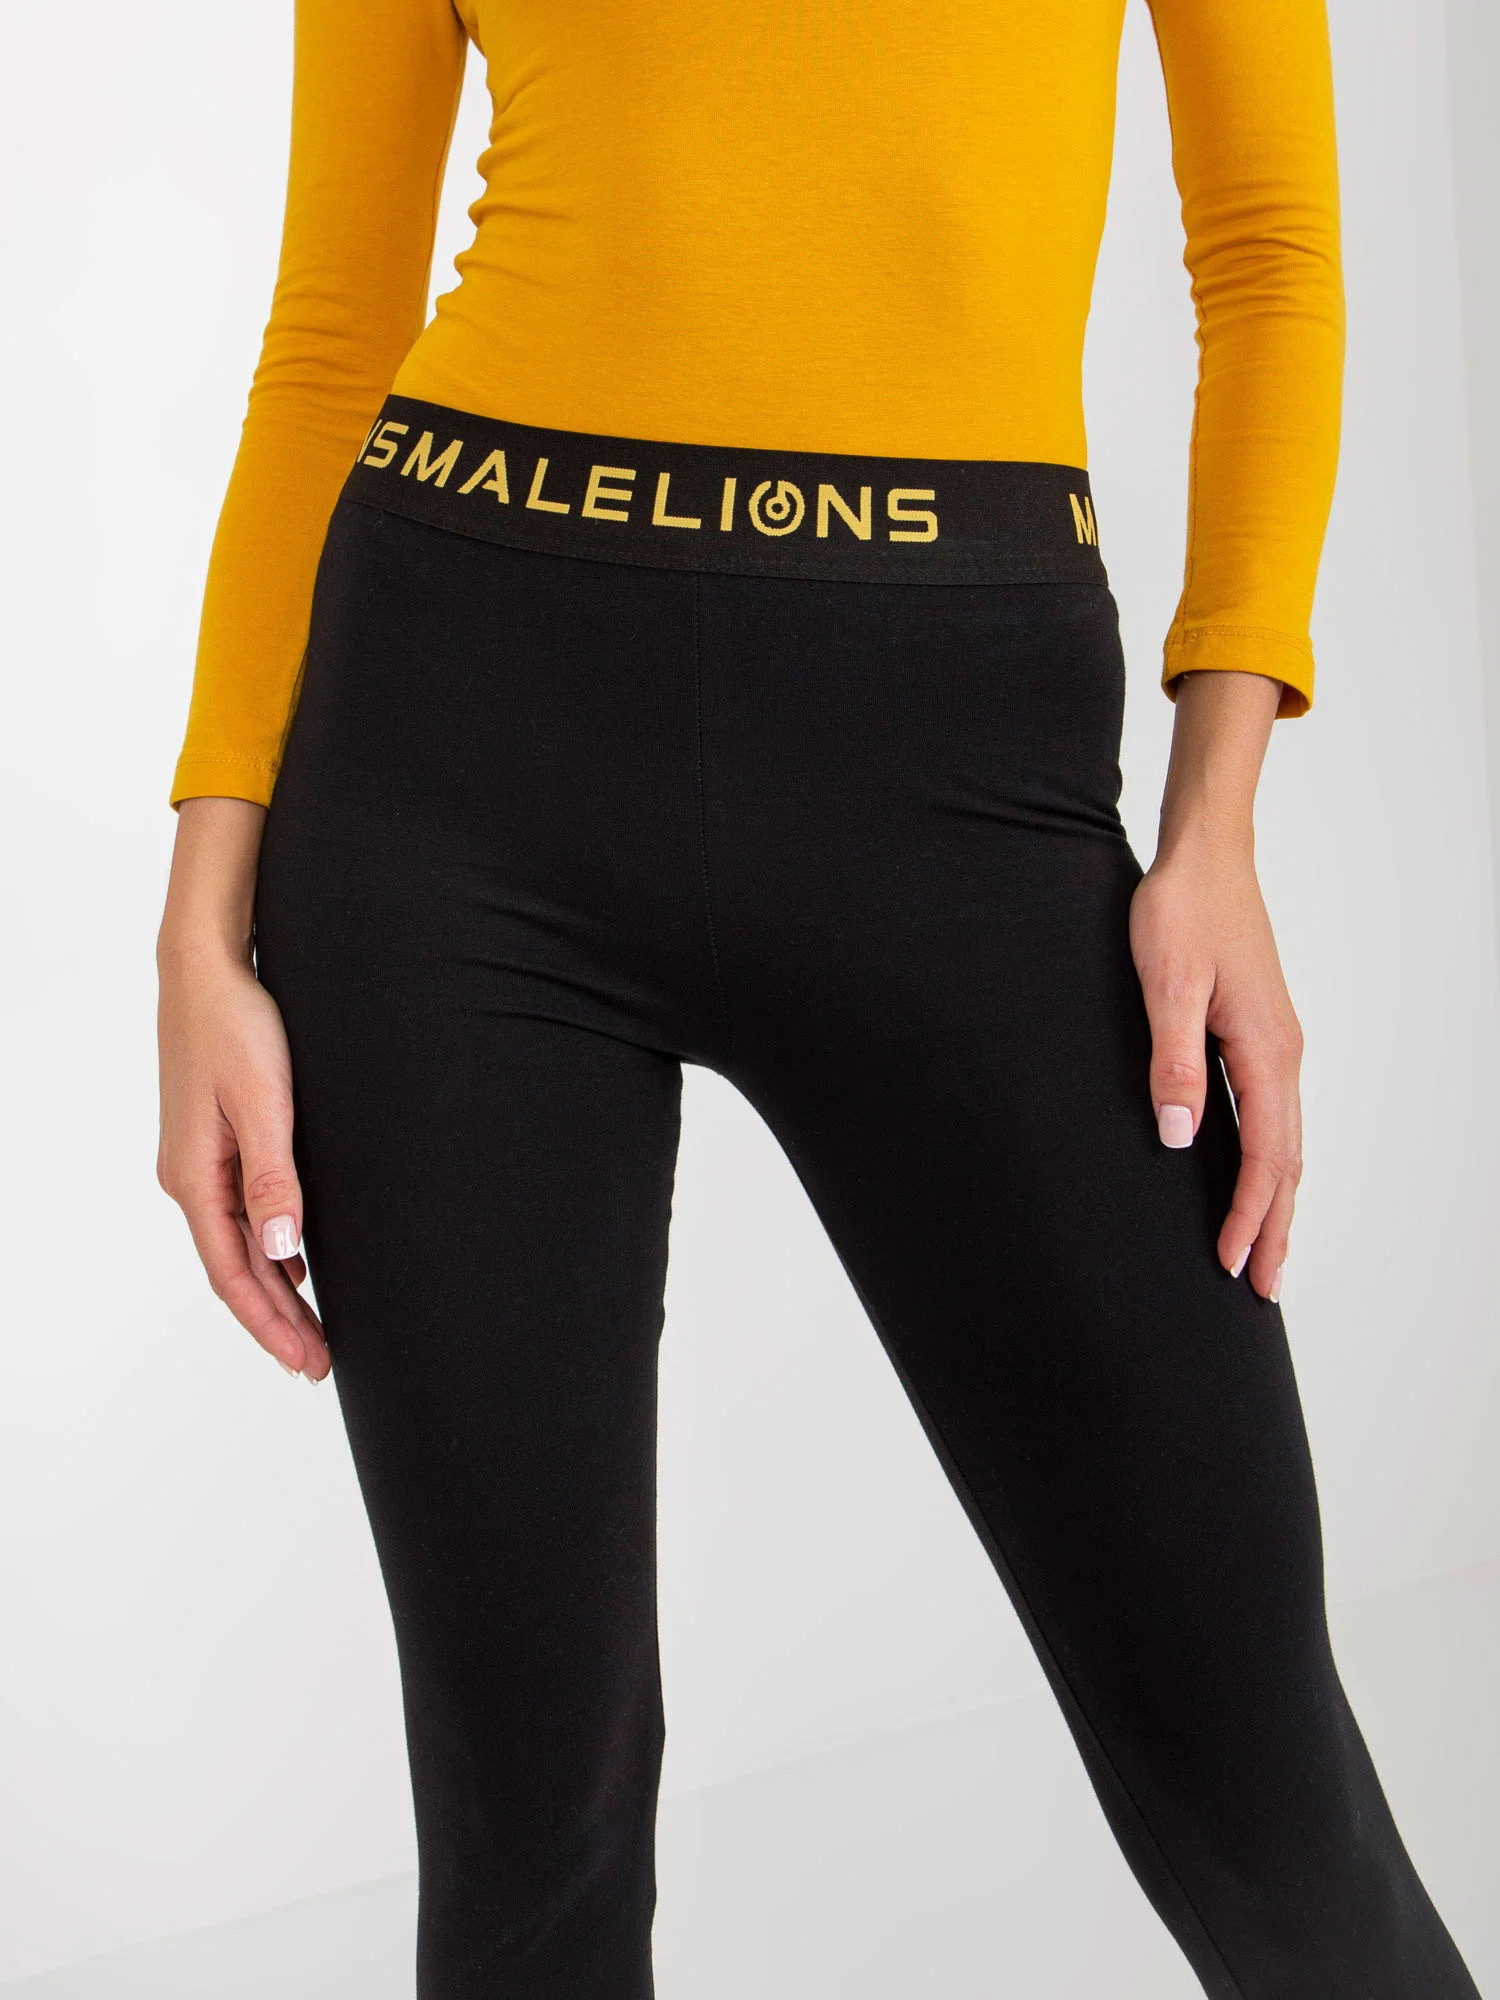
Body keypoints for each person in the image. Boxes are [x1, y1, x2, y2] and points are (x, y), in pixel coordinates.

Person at [154, 1, 1481, 1994]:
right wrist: (199, 924)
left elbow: (1272, 253)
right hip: (453, 772)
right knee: (527, 1851)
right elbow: (335, 328)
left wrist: (1214, 823)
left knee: (1270, 1796)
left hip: (963, 771)